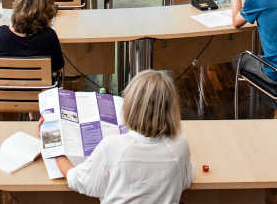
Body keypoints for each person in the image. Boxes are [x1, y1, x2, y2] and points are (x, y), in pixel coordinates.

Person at [46, 69, 193, 204]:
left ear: (130, 106)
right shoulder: (180, 145)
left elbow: (76, 180)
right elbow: (186, 179)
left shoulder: (112, 146)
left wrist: (53, 142)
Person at [0, 0, 64, 76]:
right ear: (47, 14)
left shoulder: (0, 33)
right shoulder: (49, 36)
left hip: (3, 88)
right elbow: (58, 68)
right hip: (40, 88)